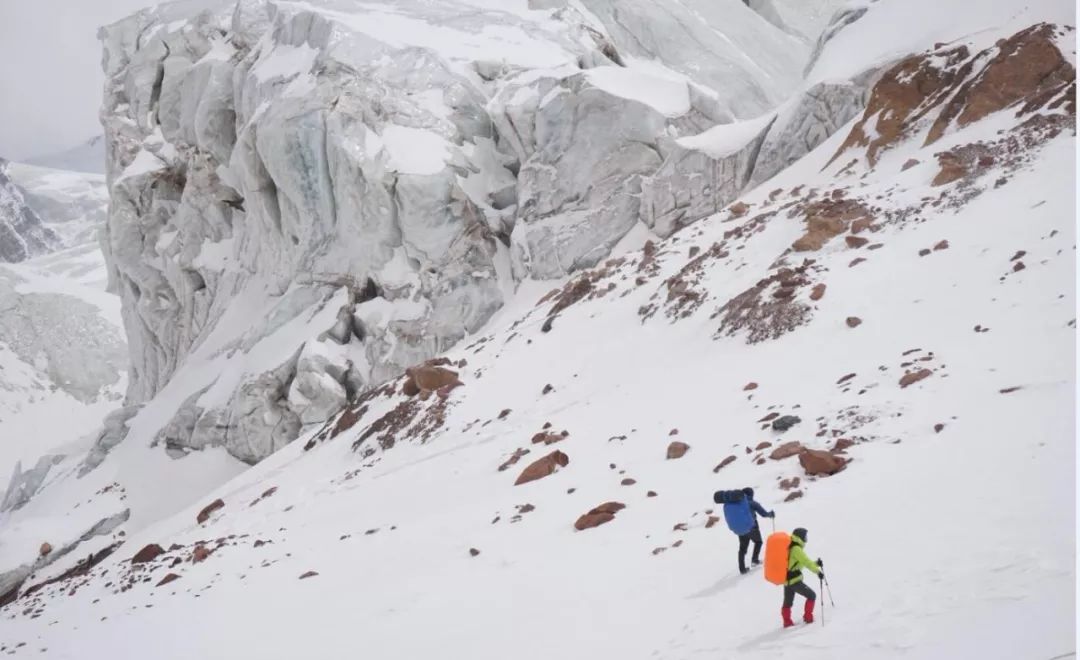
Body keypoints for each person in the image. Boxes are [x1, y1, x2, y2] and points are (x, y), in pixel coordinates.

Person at [782, 527, 824, 627]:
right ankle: (808, 617)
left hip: (787, 581)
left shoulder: (791, 547)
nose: (806, 538)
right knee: (812, 595)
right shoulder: (796, 549)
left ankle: (787, 622)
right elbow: (806, 562)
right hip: (794, 581)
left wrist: (816, 564)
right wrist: (817, 572)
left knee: (787, 602)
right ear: (800, 537)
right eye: (805, 536)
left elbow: (800, 564)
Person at [737, 487, 774, 574]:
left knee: (742, 549)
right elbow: (764, 514)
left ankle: (742, 569)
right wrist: (771, 514)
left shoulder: (737, 503)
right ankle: (755, 560)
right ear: (751, 494)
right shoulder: (752, 503)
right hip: (752, 527)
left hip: (740, 528)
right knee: (758, 542)